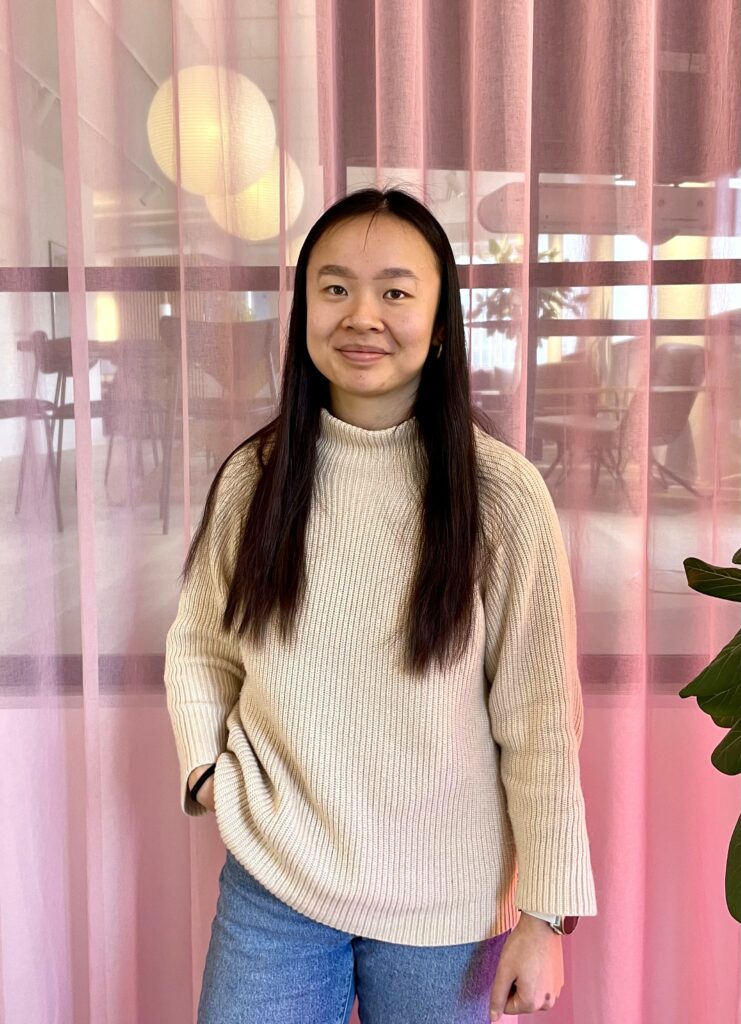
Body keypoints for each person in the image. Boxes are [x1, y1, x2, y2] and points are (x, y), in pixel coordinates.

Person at [164, 187, 597, 1024]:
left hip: (447, 901)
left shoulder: (501, 494)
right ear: (304, 311)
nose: (361, 315)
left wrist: (544, 916)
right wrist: (207, 772)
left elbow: (540, 717)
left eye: (395, 291)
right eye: (333, 288)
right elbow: (201, 646)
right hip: (275, 882)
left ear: (438, 325)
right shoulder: (257, 478)